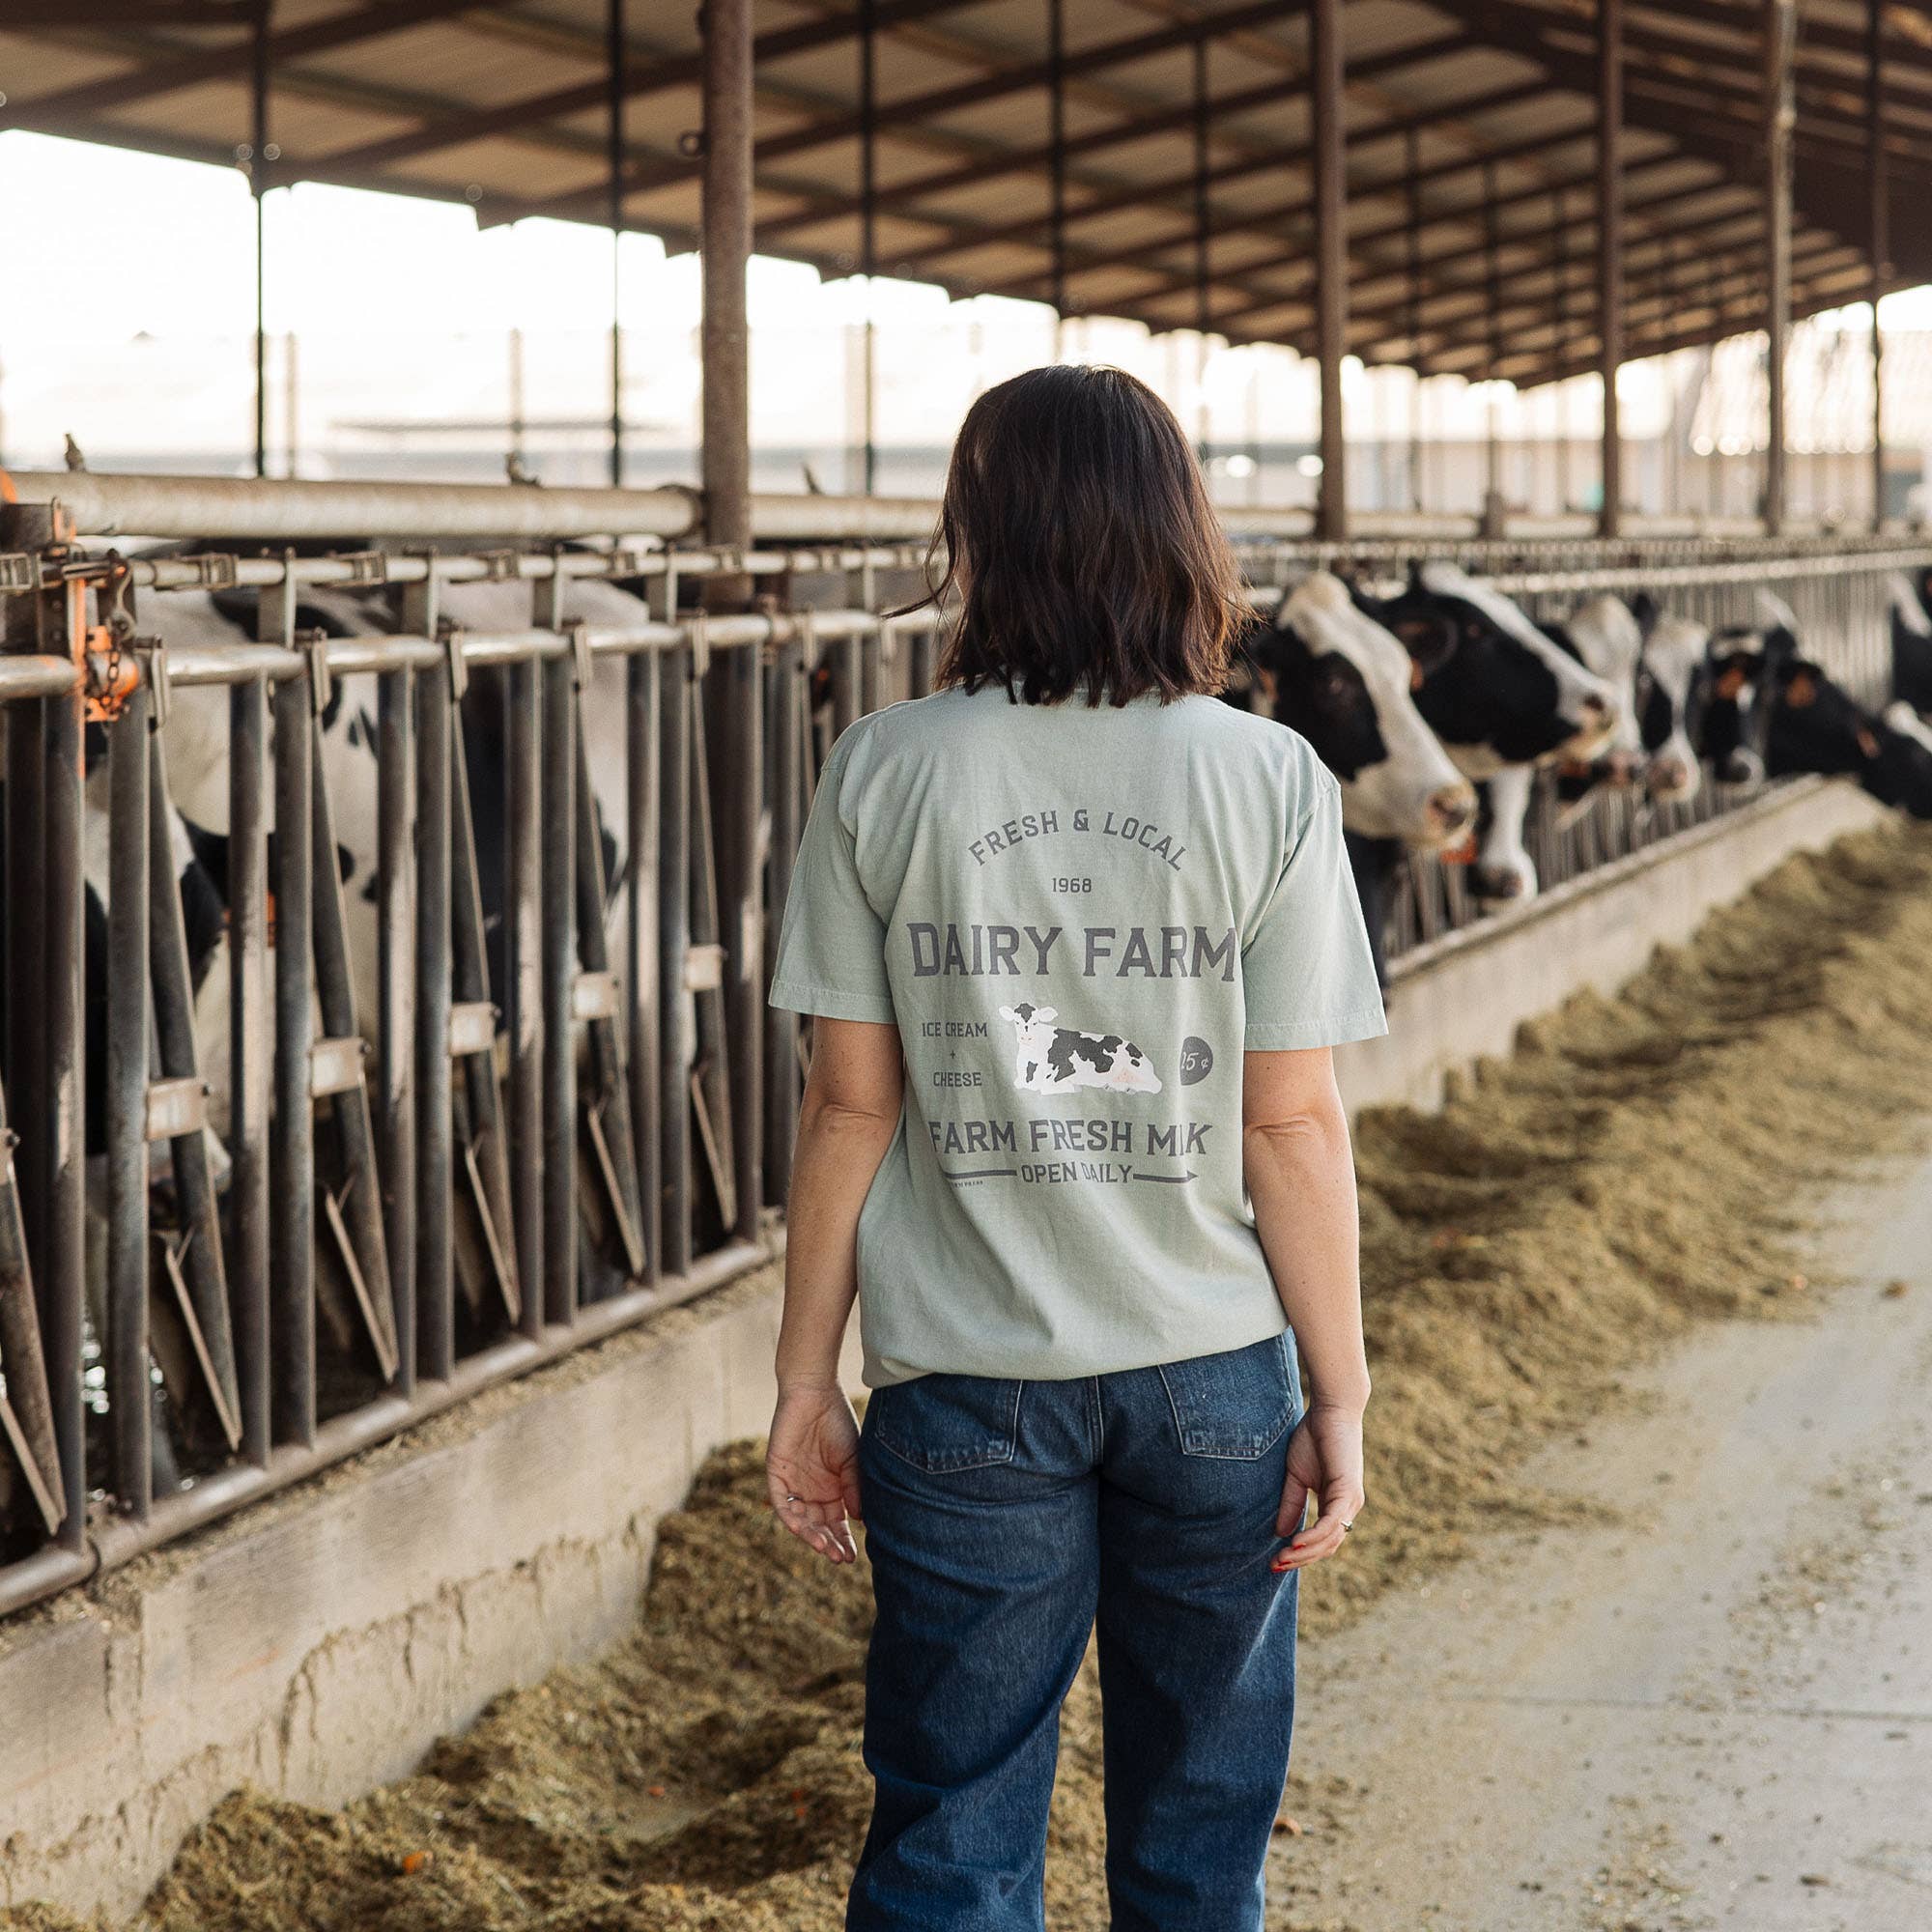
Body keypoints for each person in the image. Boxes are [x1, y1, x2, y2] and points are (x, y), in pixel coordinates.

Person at [762, 362, 1387, 1932]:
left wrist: (799, 1385)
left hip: (965, 1383)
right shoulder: (1271, 780)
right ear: (1184, 538)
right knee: (1197, 1841)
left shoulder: (886, 768)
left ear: (980, 535)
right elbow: (1293, 1123)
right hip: (1213, 1381)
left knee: (952, 1833)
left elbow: (851, 1104)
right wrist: (1340, 1394)